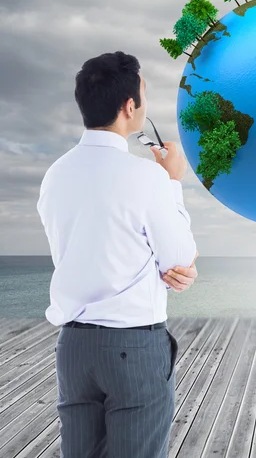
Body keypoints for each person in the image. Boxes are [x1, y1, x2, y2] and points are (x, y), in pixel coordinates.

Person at [36, 51, 198, 457]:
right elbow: (178, 254)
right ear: (130, 106)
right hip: (132, 349)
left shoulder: (55, 174)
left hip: (73, 348)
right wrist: (172, 182)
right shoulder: (147, 177)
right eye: (143, 92)